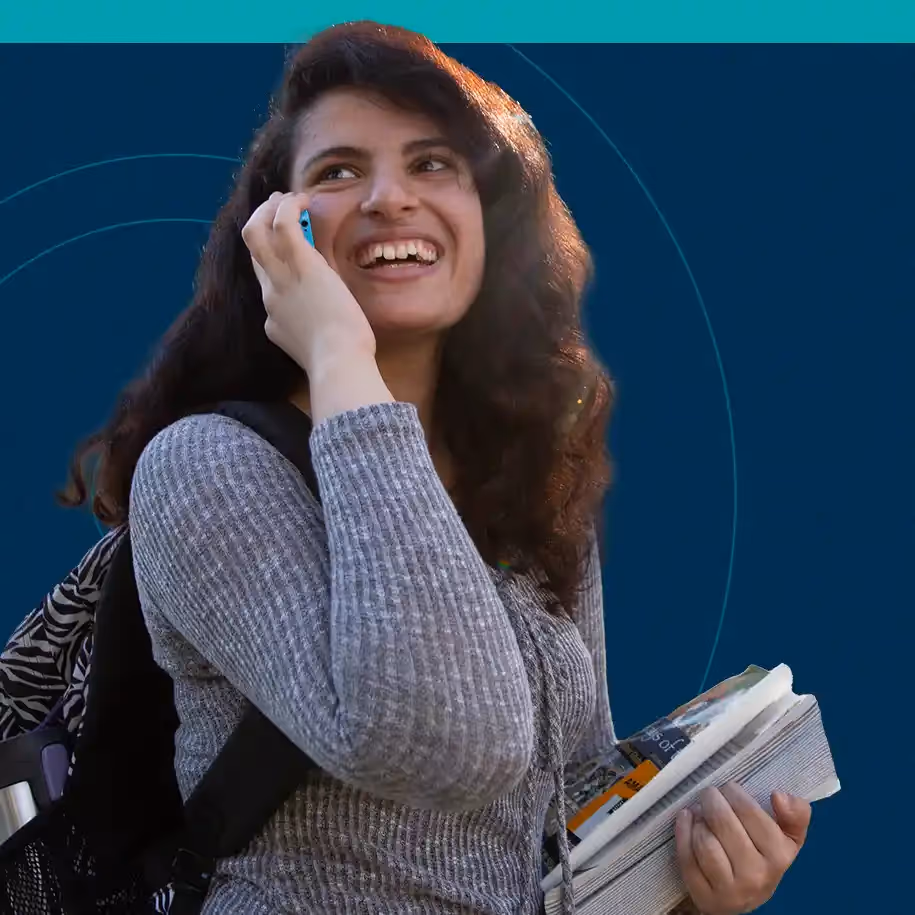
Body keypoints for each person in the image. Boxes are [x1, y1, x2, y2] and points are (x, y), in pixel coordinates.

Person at [61, 21, 812, 915]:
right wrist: (339, 354)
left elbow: (560, 833)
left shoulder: (529, 490)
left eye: (432, 164)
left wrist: (693, 885)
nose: (389, 198)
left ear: (491, 221)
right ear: (277, 236)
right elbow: (444, 741)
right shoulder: (208, 468)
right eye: (338, 171)